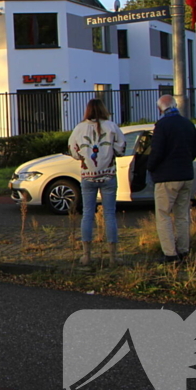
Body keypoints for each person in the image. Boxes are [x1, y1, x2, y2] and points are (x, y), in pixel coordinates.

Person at [68, 99, 126, 266]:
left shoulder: (79, 128)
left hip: (88, 176)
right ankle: (113, 257)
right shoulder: (112, 126)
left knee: (87, 214)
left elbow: (73, 150)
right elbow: (121, 148)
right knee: (109, 215)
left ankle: (86, 256)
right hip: (108, 175)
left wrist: (83, 157)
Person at [147, 94, 196, 263]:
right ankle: (184, 250)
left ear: (160, 109)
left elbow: (157, 152)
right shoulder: (188, 124)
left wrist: (151, 167)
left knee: (163, 214)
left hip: (166, 177)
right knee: (182, 215)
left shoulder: (162, 126)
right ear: (175, 105)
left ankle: (170, 254)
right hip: (186, 174)